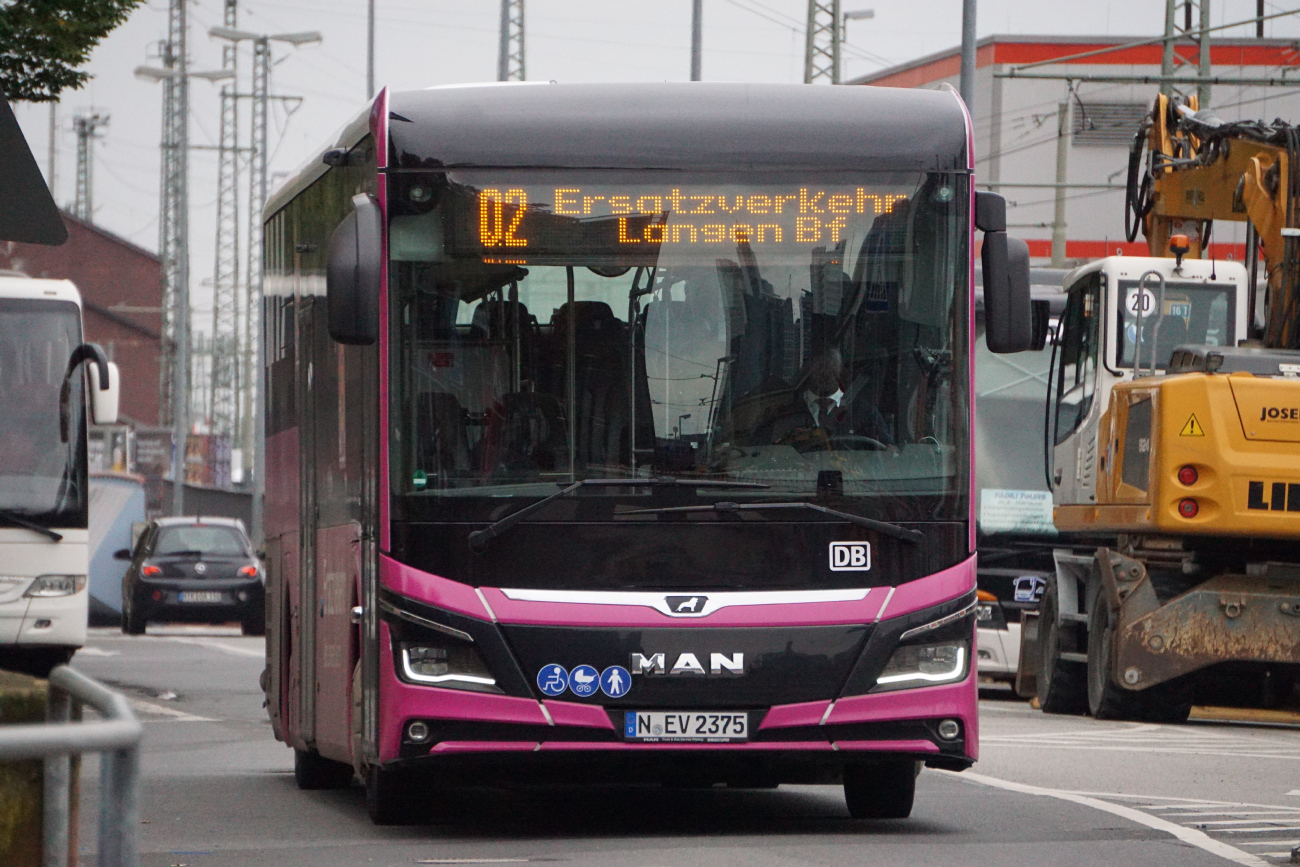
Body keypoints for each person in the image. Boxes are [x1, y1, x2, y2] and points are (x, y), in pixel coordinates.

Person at [749, 347, 893, 449]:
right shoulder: (784, 412)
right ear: (808, 369)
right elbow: (757, 452)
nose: (825, 373)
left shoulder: (865, 413)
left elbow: (889, 453)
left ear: (841, 371)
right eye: (820, 366)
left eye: (831, 366)